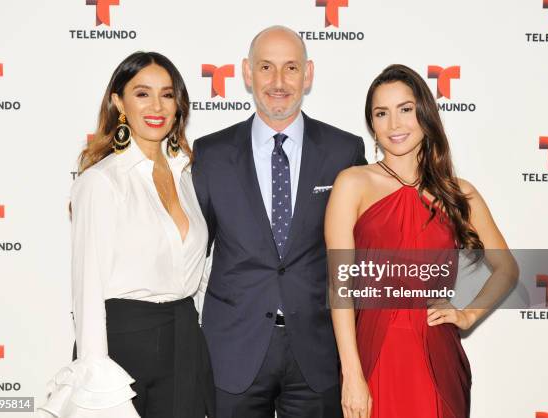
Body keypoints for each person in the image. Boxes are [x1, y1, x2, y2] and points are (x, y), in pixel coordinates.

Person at [192, 26, 367, 418]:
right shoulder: (210, 153)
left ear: (308, 75)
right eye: (266, 67)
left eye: (291, 68)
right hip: (232, 352)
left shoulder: (344, 150)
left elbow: (364, 251)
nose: (278, 82)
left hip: (317, 355)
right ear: (246, 73)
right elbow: (188, 249)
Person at [325, 64, 518, 418]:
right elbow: (340, 287)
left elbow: (507, 268)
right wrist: (352, 373)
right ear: (371, 124)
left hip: (437, 353)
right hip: (374, 354)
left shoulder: (458, 193)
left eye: (406, 109)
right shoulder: (352, 184)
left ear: (425, 113)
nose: (394, 125)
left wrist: (468, 314)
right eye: (381, 113)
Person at [37, 52, 215, 418]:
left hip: (185, 339)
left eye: (167, 94)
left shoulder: (188, 175)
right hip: (122, 341)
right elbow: (87, 288)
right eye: (142, 93)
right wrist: (93, 373)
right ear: (119, 102)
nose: (157, 106)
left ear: (178, 105)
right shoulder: (101, 181)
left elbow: (196, 272)